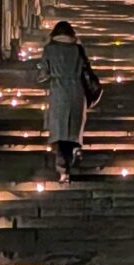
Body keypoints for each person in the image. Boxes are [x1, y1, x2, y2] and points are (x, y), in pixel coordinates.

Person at [36, 18, 98, 180]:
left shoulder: (49, 49)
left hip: (58, 92)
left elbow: (43, 75)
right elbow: (86, 69)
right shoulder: (77, 49)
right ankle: (74, 151)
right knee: (74, 128)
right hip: (77, 91)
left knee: (60, 130)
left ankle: (63, 169)